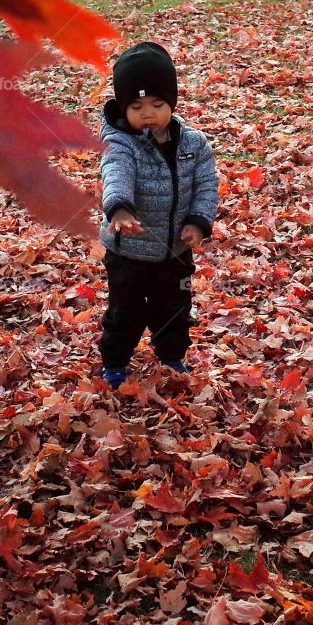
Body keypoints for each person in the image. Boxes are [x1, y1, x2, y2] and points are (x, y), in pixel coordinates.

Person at [97, 41, 219, 390]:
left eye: (157, 104)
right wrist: (119, 207)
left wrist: (197, 221)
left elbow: (206, 183)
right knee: (125, 312)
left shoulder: (192, 144)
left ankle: (171, 355)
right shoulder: (121, 142)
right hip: (129, 252)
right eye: (136, 106)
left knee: (175, 309)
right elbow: (115, 170)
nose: (147, 113)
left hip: (175, 252)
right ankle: (115, 362)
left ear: (172, 103)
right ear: (123, 107)